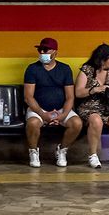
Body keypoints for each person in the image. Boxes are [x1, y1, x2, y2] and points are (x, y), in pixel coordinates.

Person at [23, 36, 81, 168]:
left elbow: (70, 97)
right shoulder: (32, 69)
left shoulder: (65, 69)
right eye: (40, 50)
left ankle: (62, 150)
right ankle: (33, 152)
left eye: (46, 50)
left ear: (55, 52)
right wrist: (44, 115)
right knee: (32, 123)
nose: (42, 53)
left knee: (76, 123)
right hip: (38, 109)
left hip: (61, 109)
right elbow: (28, 97)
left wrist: (63, 115)